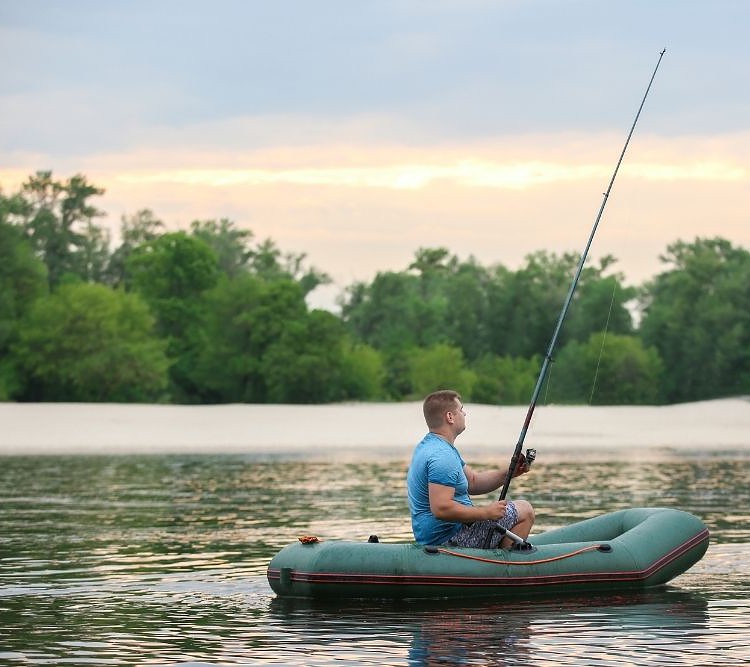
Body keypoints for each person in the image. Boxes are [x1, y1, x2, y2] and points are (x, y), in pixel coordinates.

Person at [407, 389, 535, 549]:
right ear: (450, 417)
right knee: (525, 510)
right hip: (450, 538)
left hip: (450, 533)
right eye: (461, 409)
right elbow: (441, 508)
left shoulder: (433, 446)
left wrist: (509, 473)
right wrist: (485, 512)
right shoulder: (442, 456)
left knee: (511, 510)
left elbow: (473, 482)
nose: (465, 413)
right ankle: (504, 568)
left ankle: (499, 555)